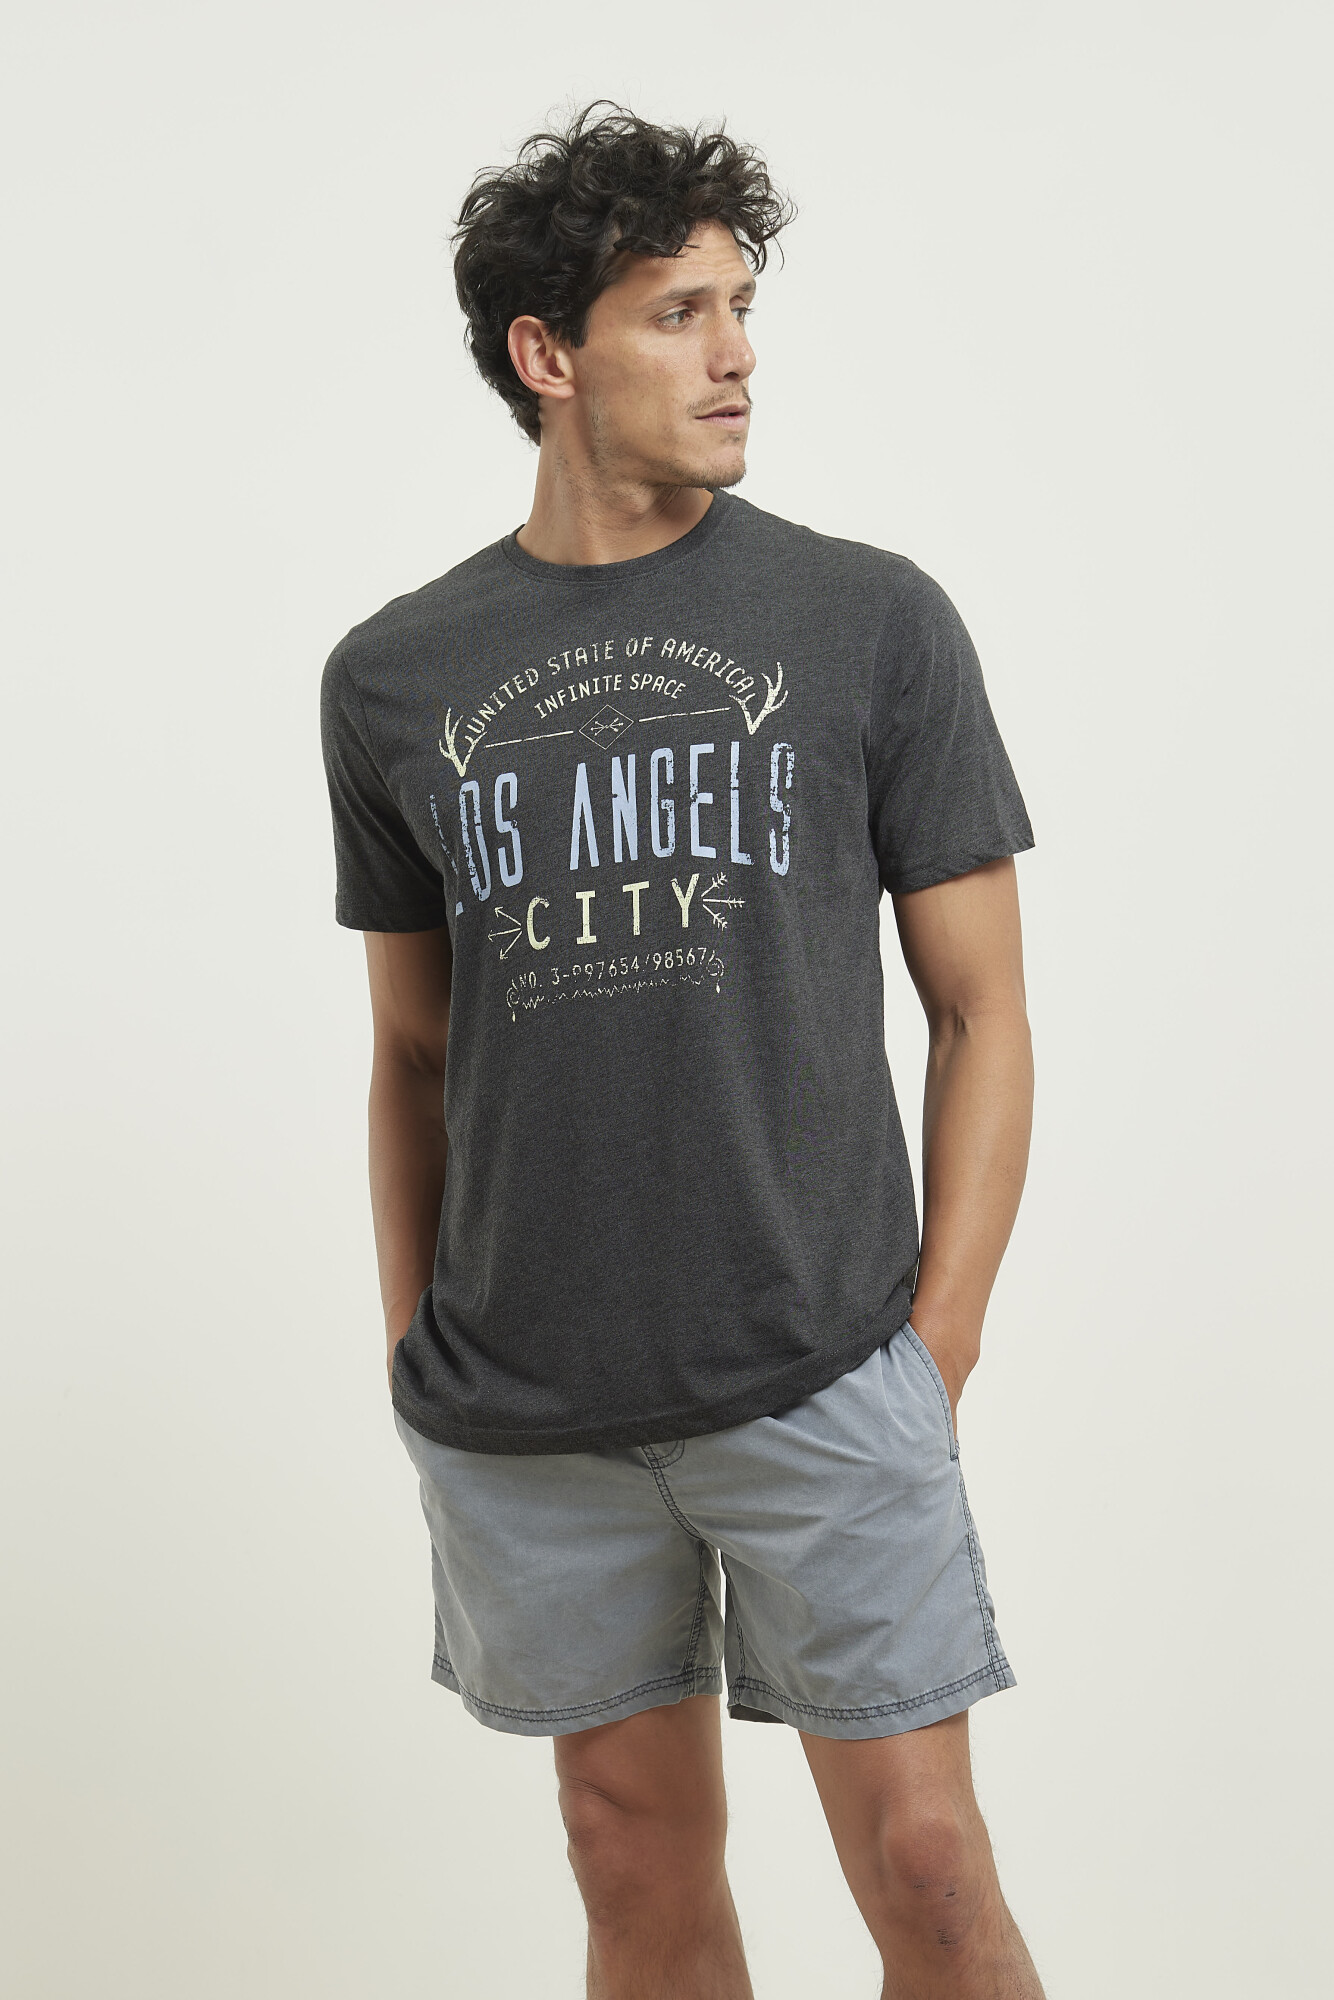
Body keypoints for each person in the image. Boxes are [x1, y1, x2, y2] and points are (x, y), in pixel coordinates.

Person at [320, 101, 1045, 2000]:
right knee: (628, 1864)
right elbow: (412, 1055)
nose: (736, 356)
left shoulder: (866, 618)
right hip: (527, 1406)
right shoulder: (393, 675)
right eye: (676, 313)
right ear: (545, 355)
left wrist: (936, 1345)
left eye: (740, 307)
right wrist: (415, 1349)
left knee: (930, 1871)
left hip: (820, 1366)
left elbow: (981, 1008)